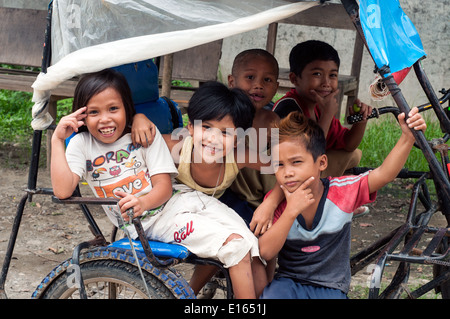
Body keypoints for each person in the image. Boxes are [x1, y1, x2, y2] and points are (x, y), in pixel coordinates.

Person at [51, 69, 265, 299]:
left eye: (113, 109)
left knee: (249, 241)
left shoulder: (142, 136)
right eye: (94, 112)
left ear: (127, 108)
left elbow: (163, 188)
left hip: (182, 198)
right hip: (151, 222)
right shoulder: (82, 145)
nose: (105, 118)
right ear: (81, 115)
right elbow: (63, 190)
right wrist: (57, 139)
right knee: (235, 247)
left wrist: (144, 199)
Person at [258, 108, 426, 299]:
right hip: (289, 283)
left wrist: (407, 138)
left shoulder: (342, 191)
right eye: (279, 164)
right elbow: (265, 251)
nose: (287, 172)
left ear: (321, 163)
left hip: (331, 287)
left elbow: (383, 174)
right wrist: (291, 212)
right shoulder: (275, 202)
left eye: (296, 162)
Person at [272, 40, 372, 179]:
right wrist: (327, 115)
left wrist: (361, 120)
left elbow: (348, 145)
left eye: (332, 75)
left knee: (352, 155)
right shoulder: (289, 108)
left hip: (308, 165)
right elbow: (307, 154)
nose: (326, 83)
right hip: (280, 174)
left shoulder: (319, 107)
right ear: (294, 79)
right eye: (317, 74)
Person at [226, 48, 280, 235]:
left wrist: (271, 203)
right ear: (231, 81)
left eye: (267, 80)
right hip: (224, 198)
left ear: (276, 86)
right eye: (250, 77)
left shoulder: (273, 122)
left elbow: (284, 170)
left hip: (266, 201)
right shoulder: (219, 120)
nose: (258, 85)